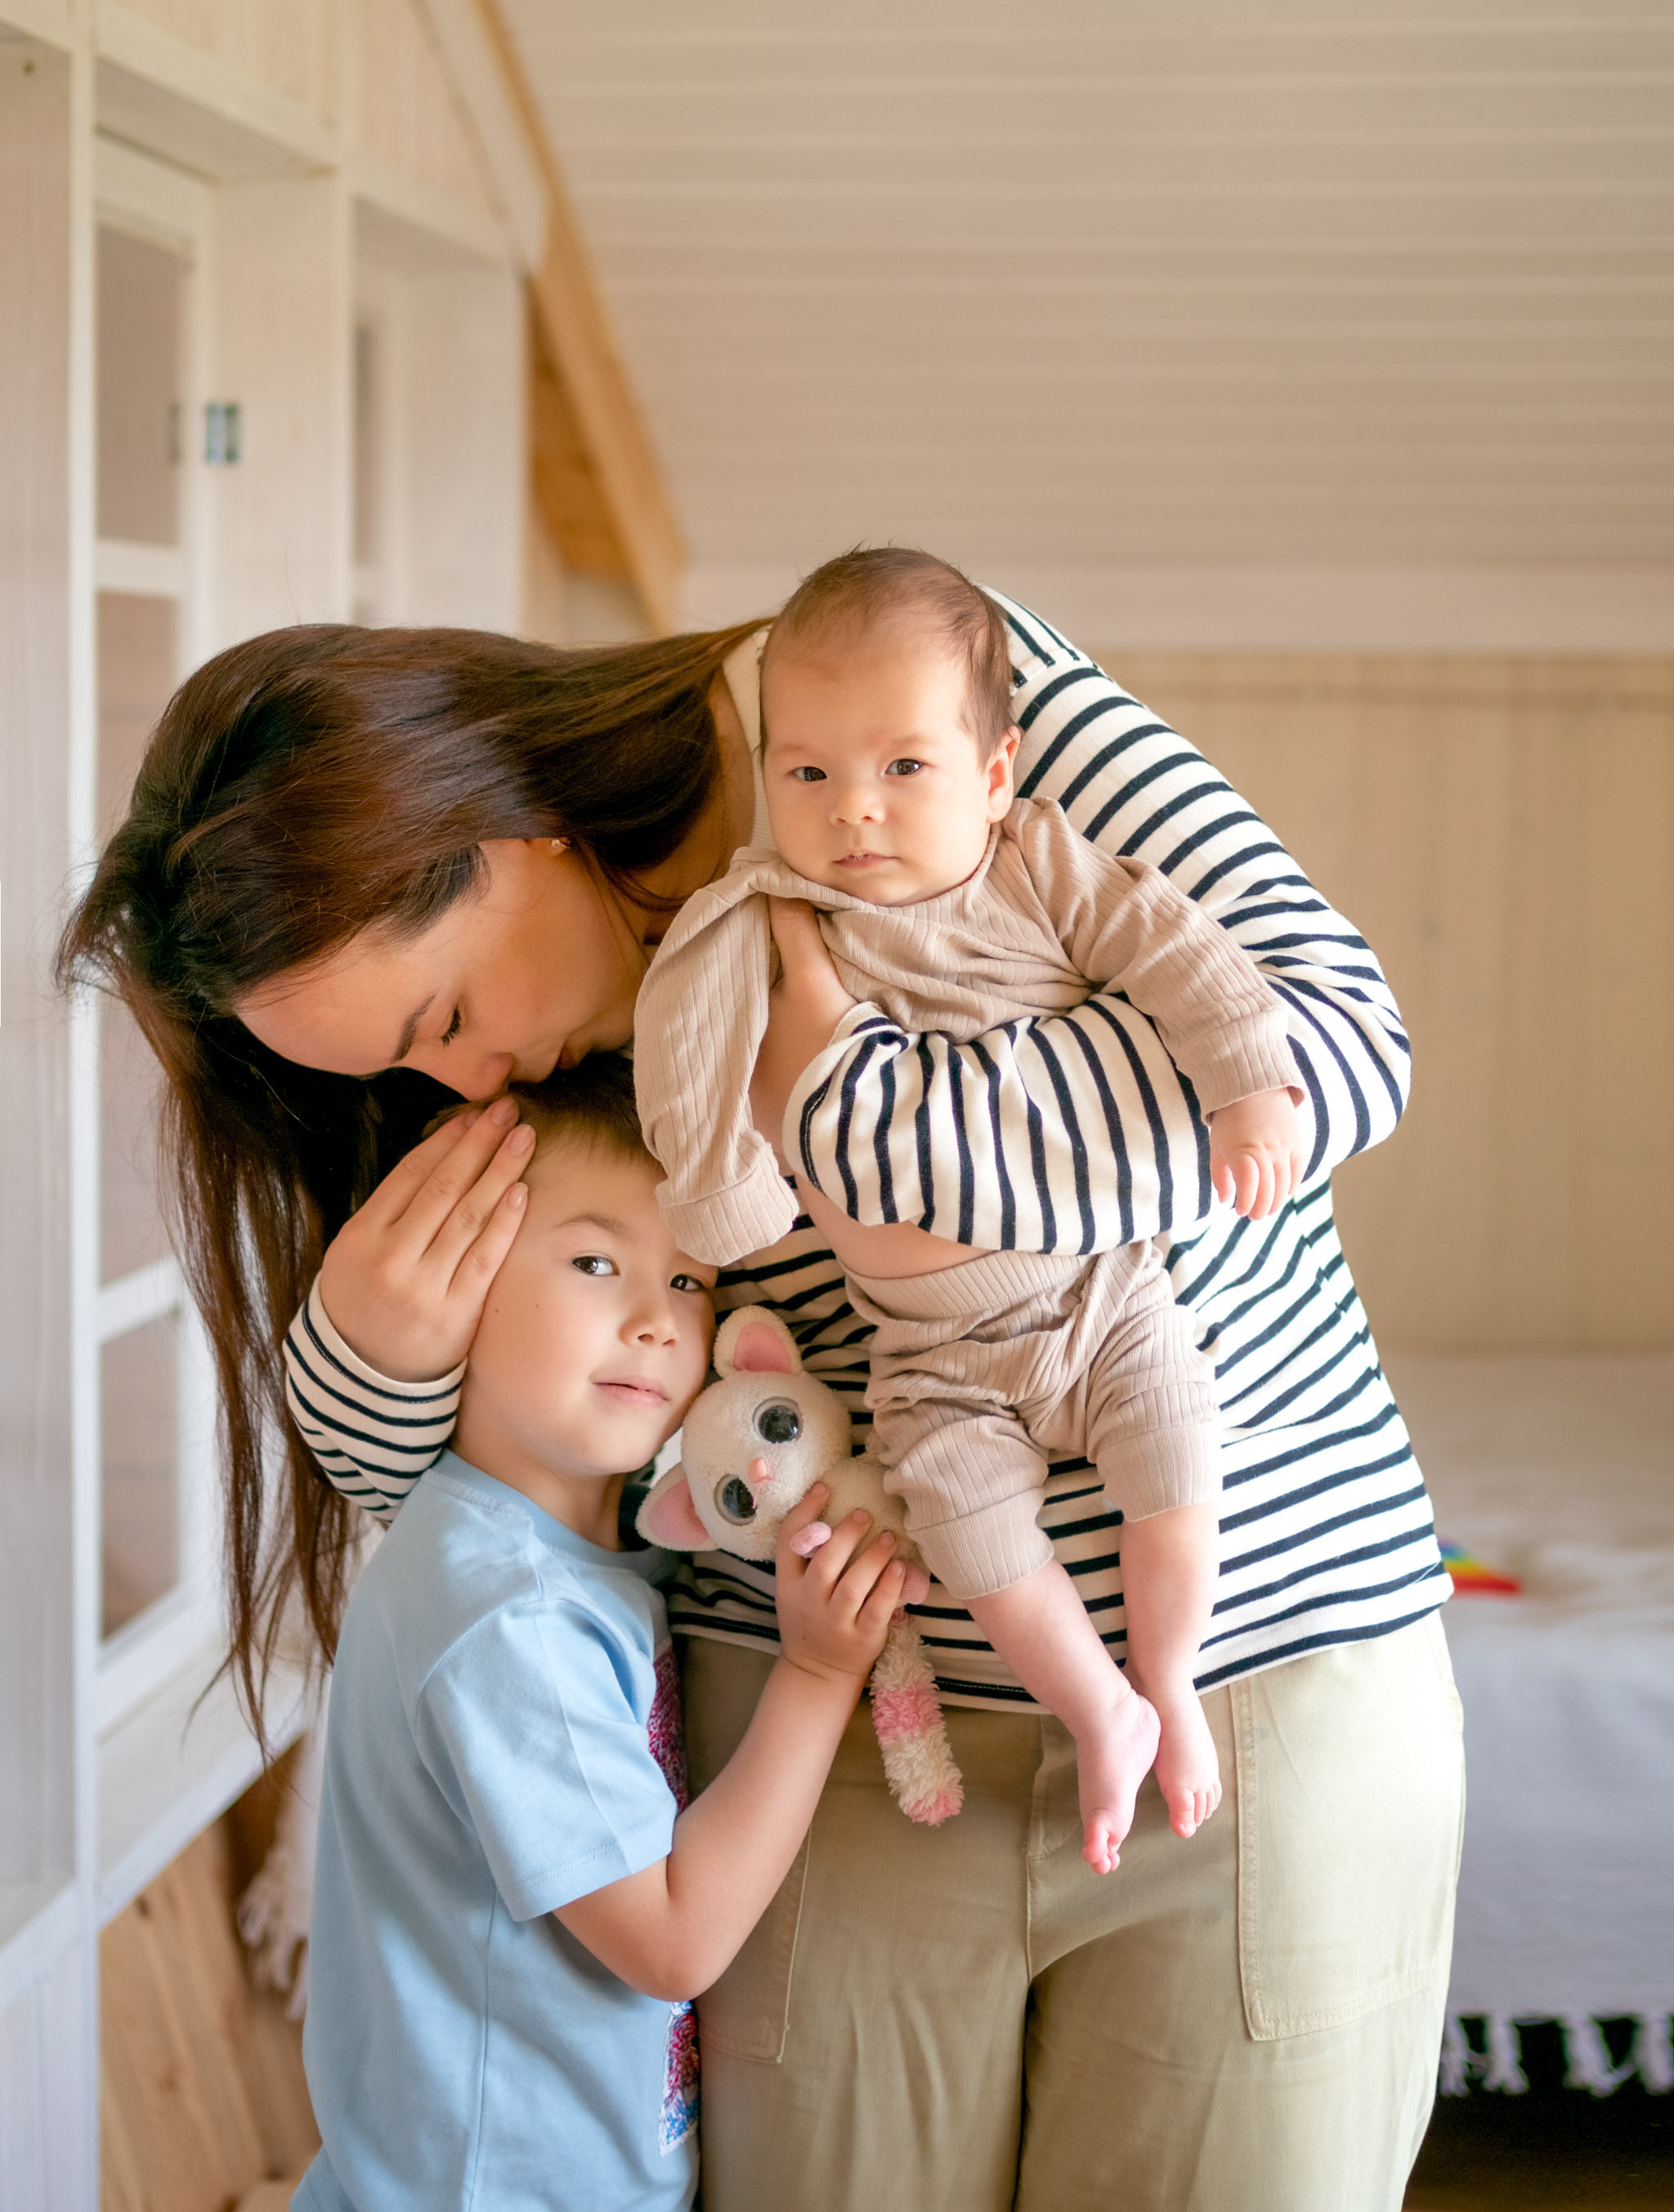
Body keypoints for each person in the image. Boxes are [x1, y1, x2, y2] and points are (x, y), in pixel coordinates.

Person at [60, 597, 1461, 2212]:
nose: (467, 1084)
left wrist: (870, 1120)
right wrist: (363, 1355)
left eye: (442, 1018)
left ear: (508, 823)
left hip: (1253, 1675)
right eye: (400, 1073)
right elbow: (492, 1506)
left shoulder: (885, 697)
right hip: (829, 1736)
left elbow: (1332, 1046)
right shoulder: (523, 1068)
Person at [635, 549, 1309, 1865]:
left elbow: (1178, 947)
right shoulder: (773, 925)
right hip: (929, 1351)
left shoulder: (1039, 867)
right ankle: (1102, 1709)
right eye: (807, 773)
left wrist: (1248, 1084)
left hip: (1101, 1295)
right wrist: (720, 1192)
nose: (854, 810)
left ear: (995, 776)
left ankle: (1170, 1680)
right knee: (970, 1530)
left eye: (904, 766)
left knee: (1178, 1459)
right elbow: (691, 1058)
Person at [293, 1056, 911, 2212]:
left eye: (687, 1280)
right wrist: (820, 1672)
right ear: (462, 1281)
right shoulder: (507, 1614)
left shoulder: (556, 1555)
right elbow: (672, 1940)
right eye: (593, 1263)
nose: (656, 1322)